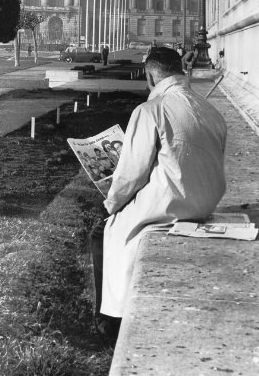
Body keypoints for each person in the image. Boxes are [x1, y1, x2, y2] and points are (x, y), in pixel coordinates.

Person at [90, 46, 227, 339]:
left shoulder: (151, 109)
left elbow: (130, 174)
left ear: (151, 77)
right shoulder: (208, 108)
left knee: (102, 231)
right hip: (206, 202)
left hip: (170, 204)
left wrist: (109, 204)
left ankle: (109, 317)